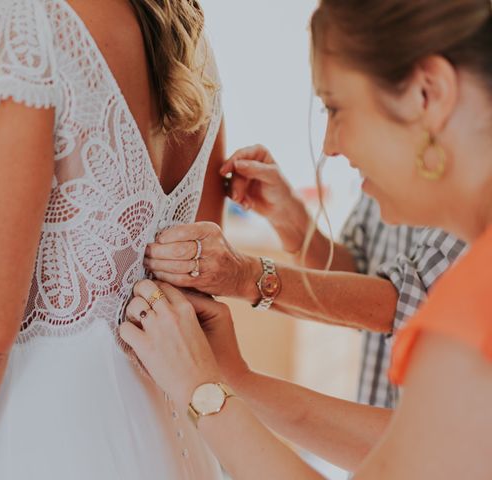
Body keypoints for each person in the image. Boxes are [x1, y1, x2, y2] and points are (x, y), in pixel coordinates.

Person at [120, 0, 492, 478]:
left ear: (428, 93)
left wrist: (203, 390)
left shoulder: (467, 312)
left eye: (336, 107)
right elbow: (415, 450)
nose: (331, 146)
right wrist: (234, 379)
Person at [0, 0, 227, 478]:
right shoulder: (190, 49)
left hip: (47, 439)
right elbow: (196, 287)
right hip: (176, 444)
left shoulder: (31, 30)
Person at [145, 145, 466, 411]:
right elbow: (360, 278)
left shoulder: (474, 185)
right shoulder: (383, 171)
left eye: (338, 107)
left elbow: (408, 304)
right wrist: (290, 218)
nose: (329, 144)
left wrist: (247, 276)